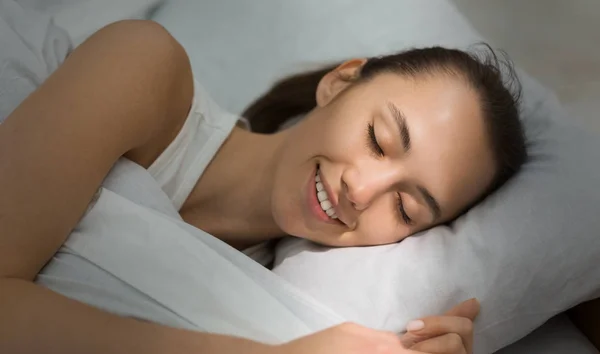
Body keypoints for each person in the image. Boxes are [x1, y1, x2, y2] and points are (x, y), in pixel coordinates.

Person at [0, 19, 526, 354]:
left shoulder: (273, 302)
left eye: (406, 208)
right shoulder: (146, 68)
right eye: (377, 139)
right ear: (340, 83)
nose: (361, 191)